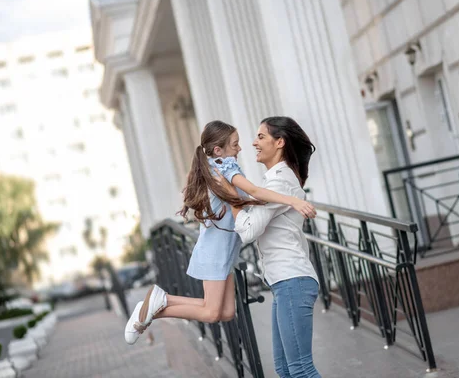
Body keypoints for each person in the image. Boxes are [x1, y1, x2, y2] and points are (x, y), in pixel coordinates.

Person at [124, 120, 316, 345]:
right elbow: (254, 192)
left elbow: (248, 200)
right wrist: (291, 199)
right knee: (212, 312)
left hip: (226, 250)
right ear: (218, 150)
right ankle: (158, 304)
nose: (240, 148)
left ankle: (158, 303)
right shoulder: (225, 167)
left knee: (225, 313)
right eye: (235, 144)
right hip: (215, 249)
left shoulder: (218, 166)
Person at [224, 116, 322, 378]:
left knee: (300, 369)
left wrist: (229, 196)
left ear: (280, 142)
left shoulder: (280, 181)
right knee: (286, 370)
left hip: (292, 279)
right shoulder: (276, 181)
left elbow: (248, 229)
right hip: (285, 282)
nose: (254, 142)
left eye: (261, 137)